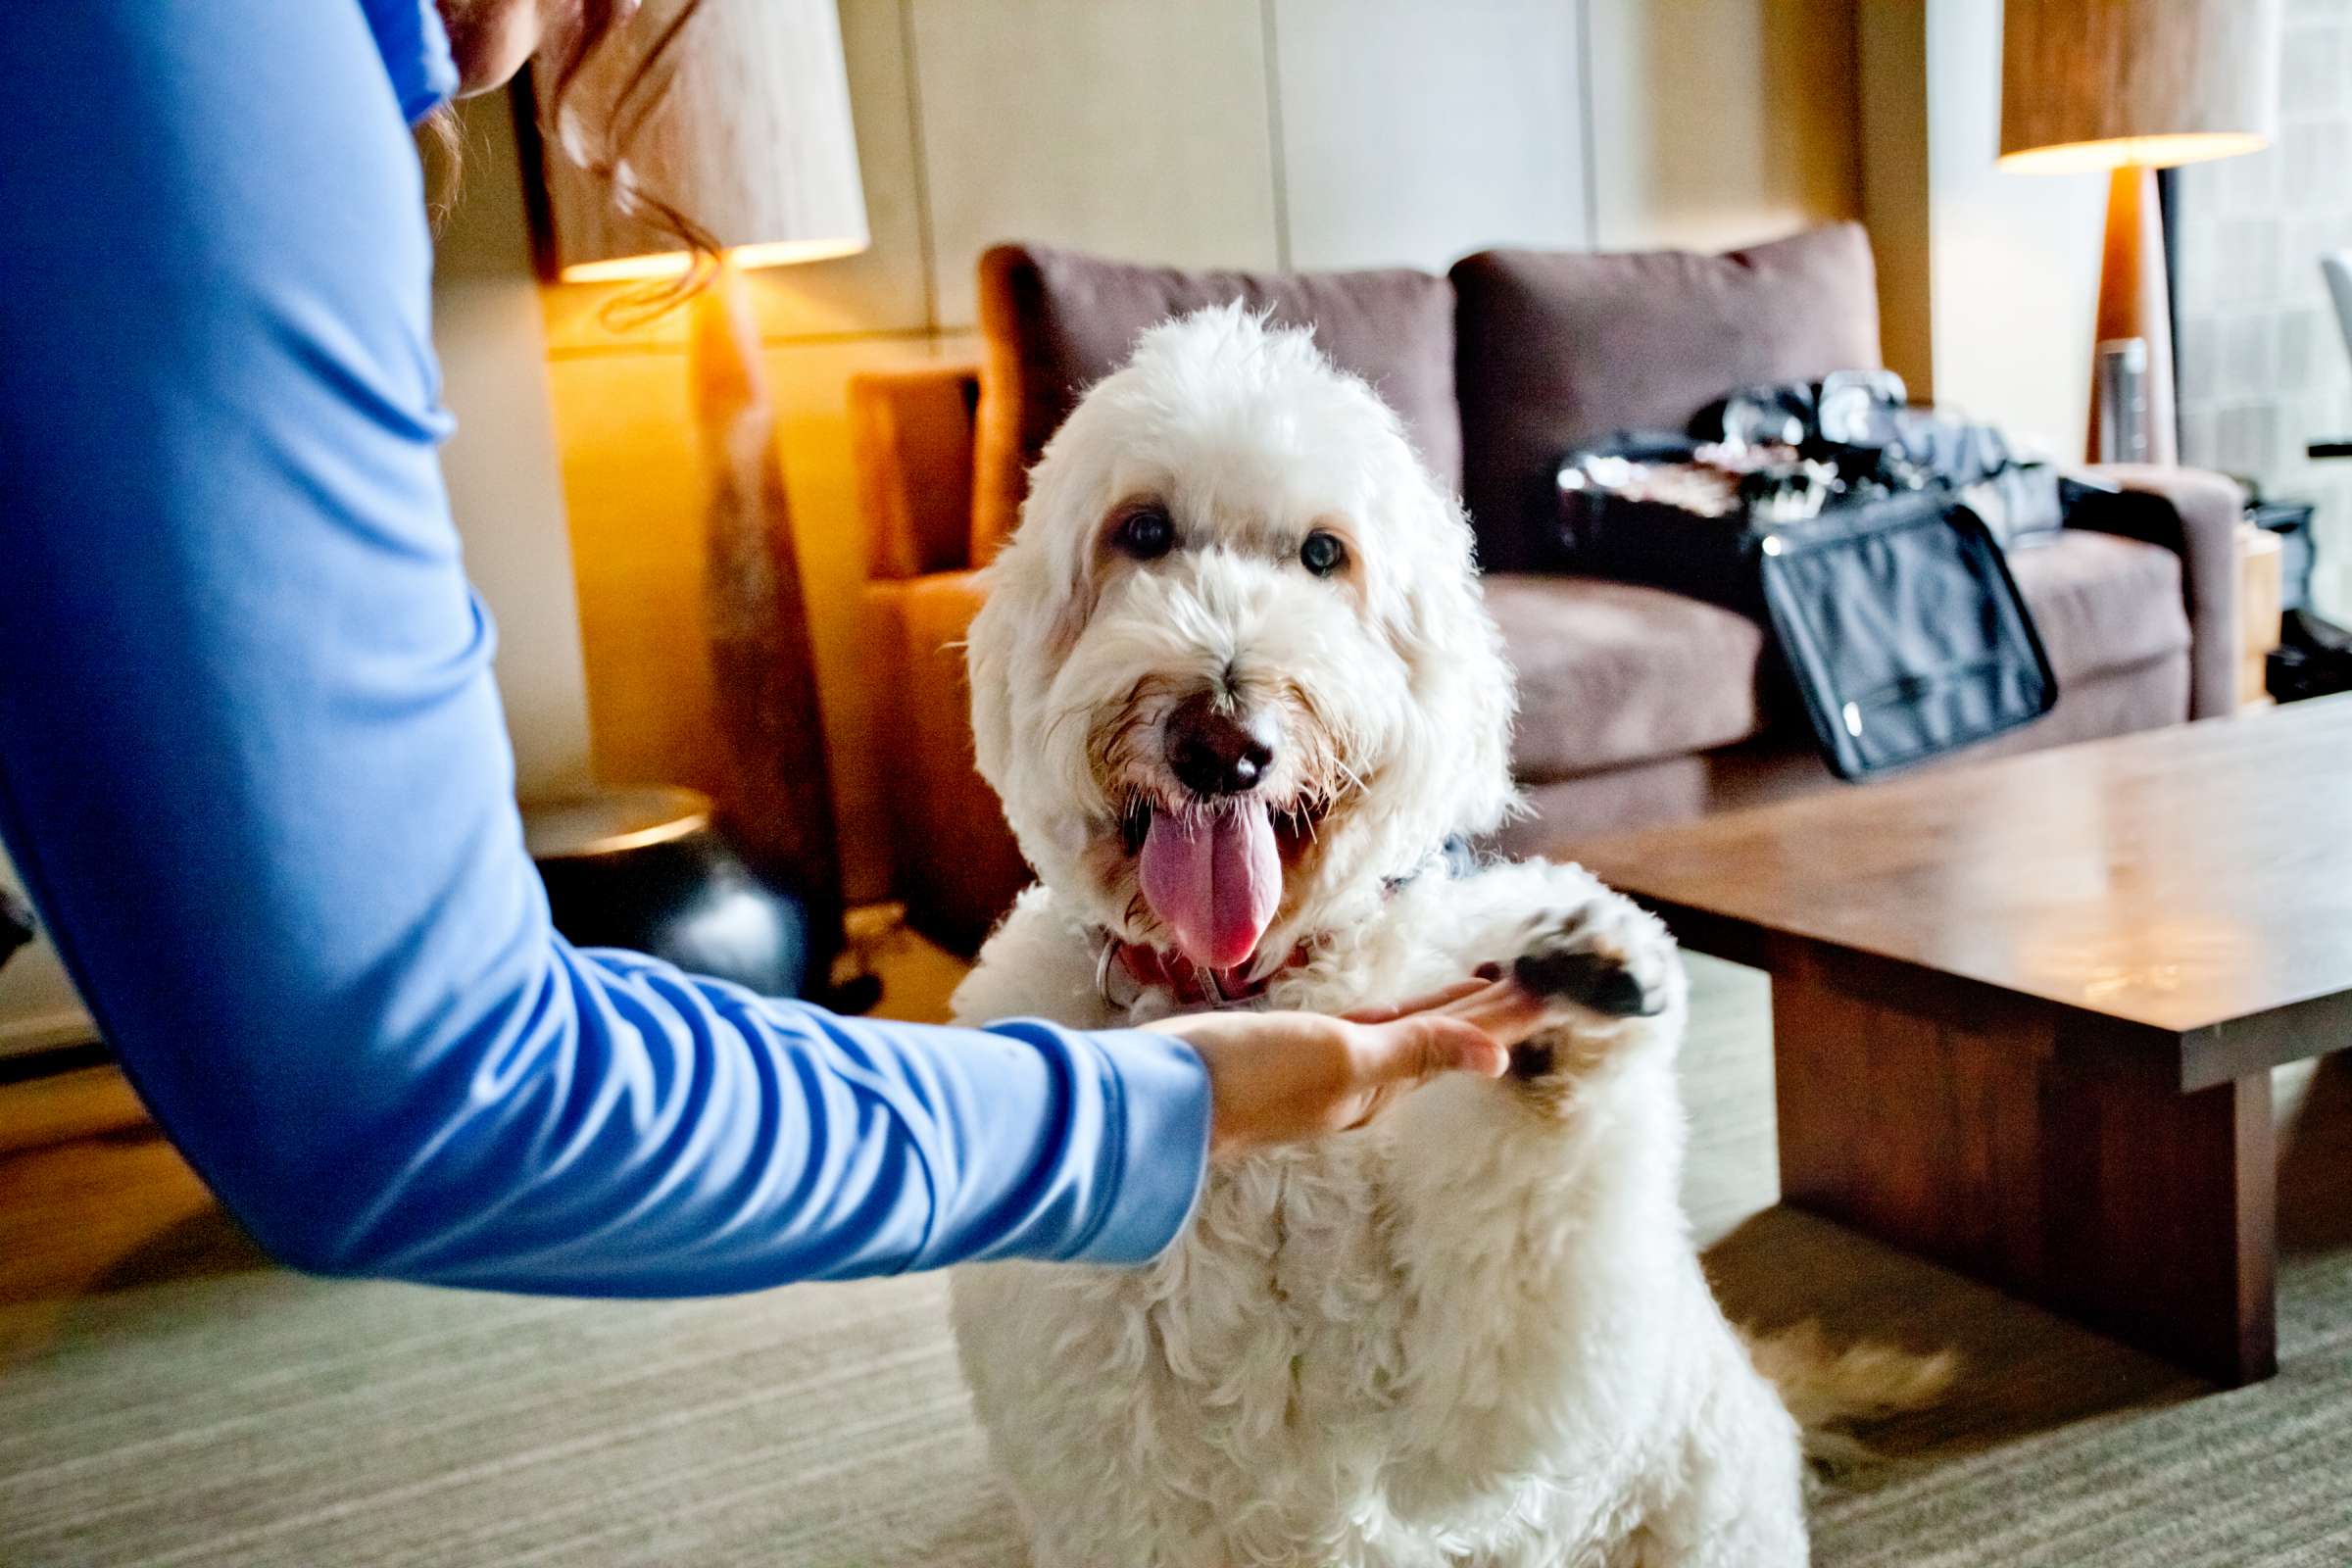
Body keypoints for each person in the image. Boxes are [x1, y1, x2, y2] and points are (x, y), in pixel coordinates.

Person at [0, 0, 1541, 1296]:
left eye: (1319, 557)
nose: (496, 76)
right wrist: (1160, 1111)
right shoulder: (206, 62)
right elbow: (416, 1087)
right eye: (1143, 539)